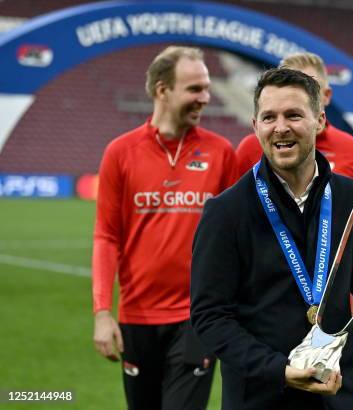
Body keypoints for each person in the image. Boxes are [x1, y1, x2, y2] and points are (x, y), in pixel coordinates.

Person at [190, 68, 353, 409]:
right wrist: (280, 371)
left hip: (341, 394)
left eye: (294, 115)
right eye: (269, 117)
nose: (281, 127)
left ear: (319, 120)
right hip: (261, 396)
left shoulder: (352, 198)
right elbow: (210, 318)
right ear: (255, 125)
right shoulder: (226, 211)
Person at [92, 46, 237, 409]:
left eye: (206, 88)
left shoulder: (221, 153)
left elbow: (237, 236)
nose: (205, 98)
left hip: (196, 319)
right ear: (162, 90)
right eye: (194, 89)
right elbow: (107, 236)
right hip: (136, 319)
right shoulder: (120, 153)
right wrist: (101, 312)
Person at [236, 52, 353, 343]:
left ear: (326, 96)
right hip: (262, 305)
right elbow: (231, 227)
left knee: (332, 383)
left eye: (309, 87)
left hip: (331, 311)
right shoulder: (249, 150)